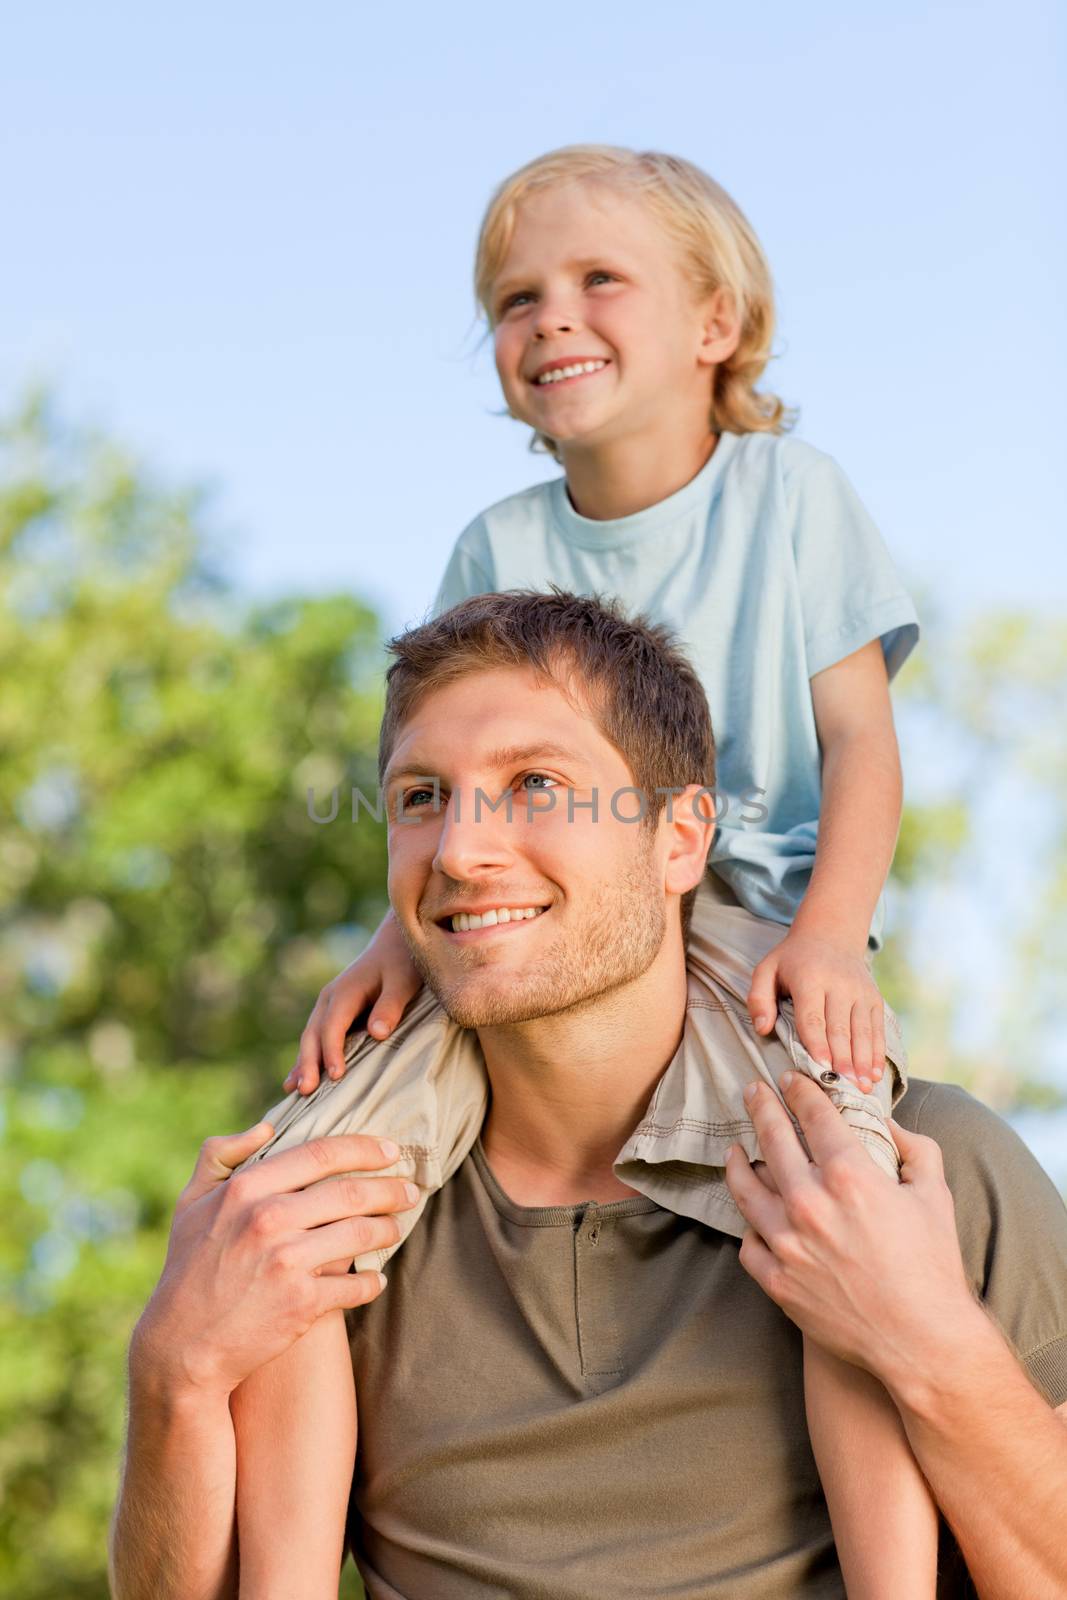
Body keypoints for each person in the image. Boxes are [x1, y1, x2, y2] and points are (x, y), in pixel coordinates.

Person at [109, 592, 1067, 1600]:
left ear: (679, 838)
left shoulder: (929, 1169)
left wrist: (931, 1346)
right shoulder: (320, 1220)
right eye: (421, 796)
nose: (458, 853)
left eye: (533, 783)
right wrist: (173, 1367)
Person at [259, 143, 930, 1583]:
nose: (548, 318)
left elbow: (860, 750)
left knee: (842, 1215)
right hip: (539, 931)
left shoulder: (789, 497)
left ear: (712, 324)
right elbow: (444, 785)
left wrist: (827, 937)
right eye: (514, 298)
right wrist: (394, 951)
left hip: (753, 921)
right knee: (299, 1200)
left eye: (594, 281)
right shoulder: (496, 542)